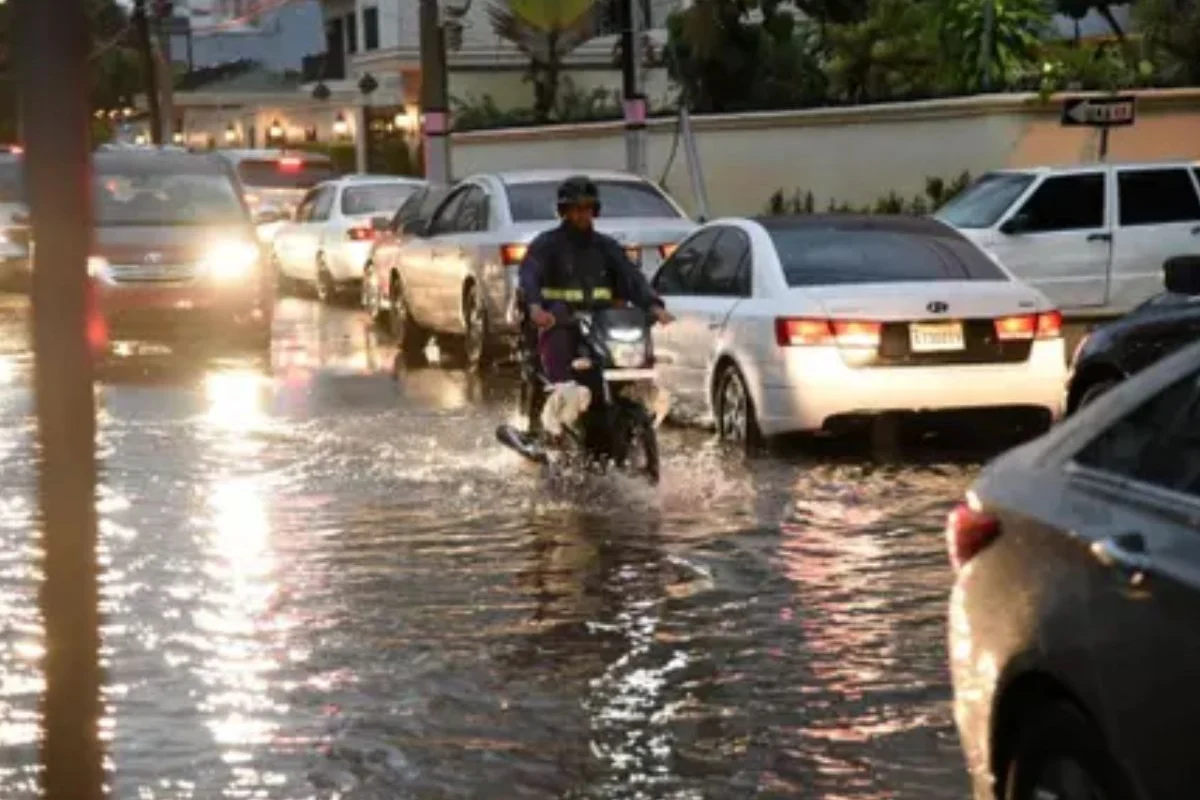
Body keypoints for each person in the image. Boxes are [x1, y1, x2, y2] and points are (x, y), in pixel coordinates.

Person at [518, 175, 673, 434]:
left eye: (587, 208)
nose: (582, 214)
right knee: (558, 328)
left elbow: (632, 277)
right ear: (564, 211)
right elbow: (529, 275)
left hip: (600, 325)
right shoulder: (546, 245)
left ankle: (622, 408)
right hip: (560, 323)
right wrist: (535, 308)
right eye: (576, 208)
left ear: (595, 210)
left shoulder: (607, 247)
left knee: (629, 335)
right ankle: (559, 394)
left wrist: (654, 306)